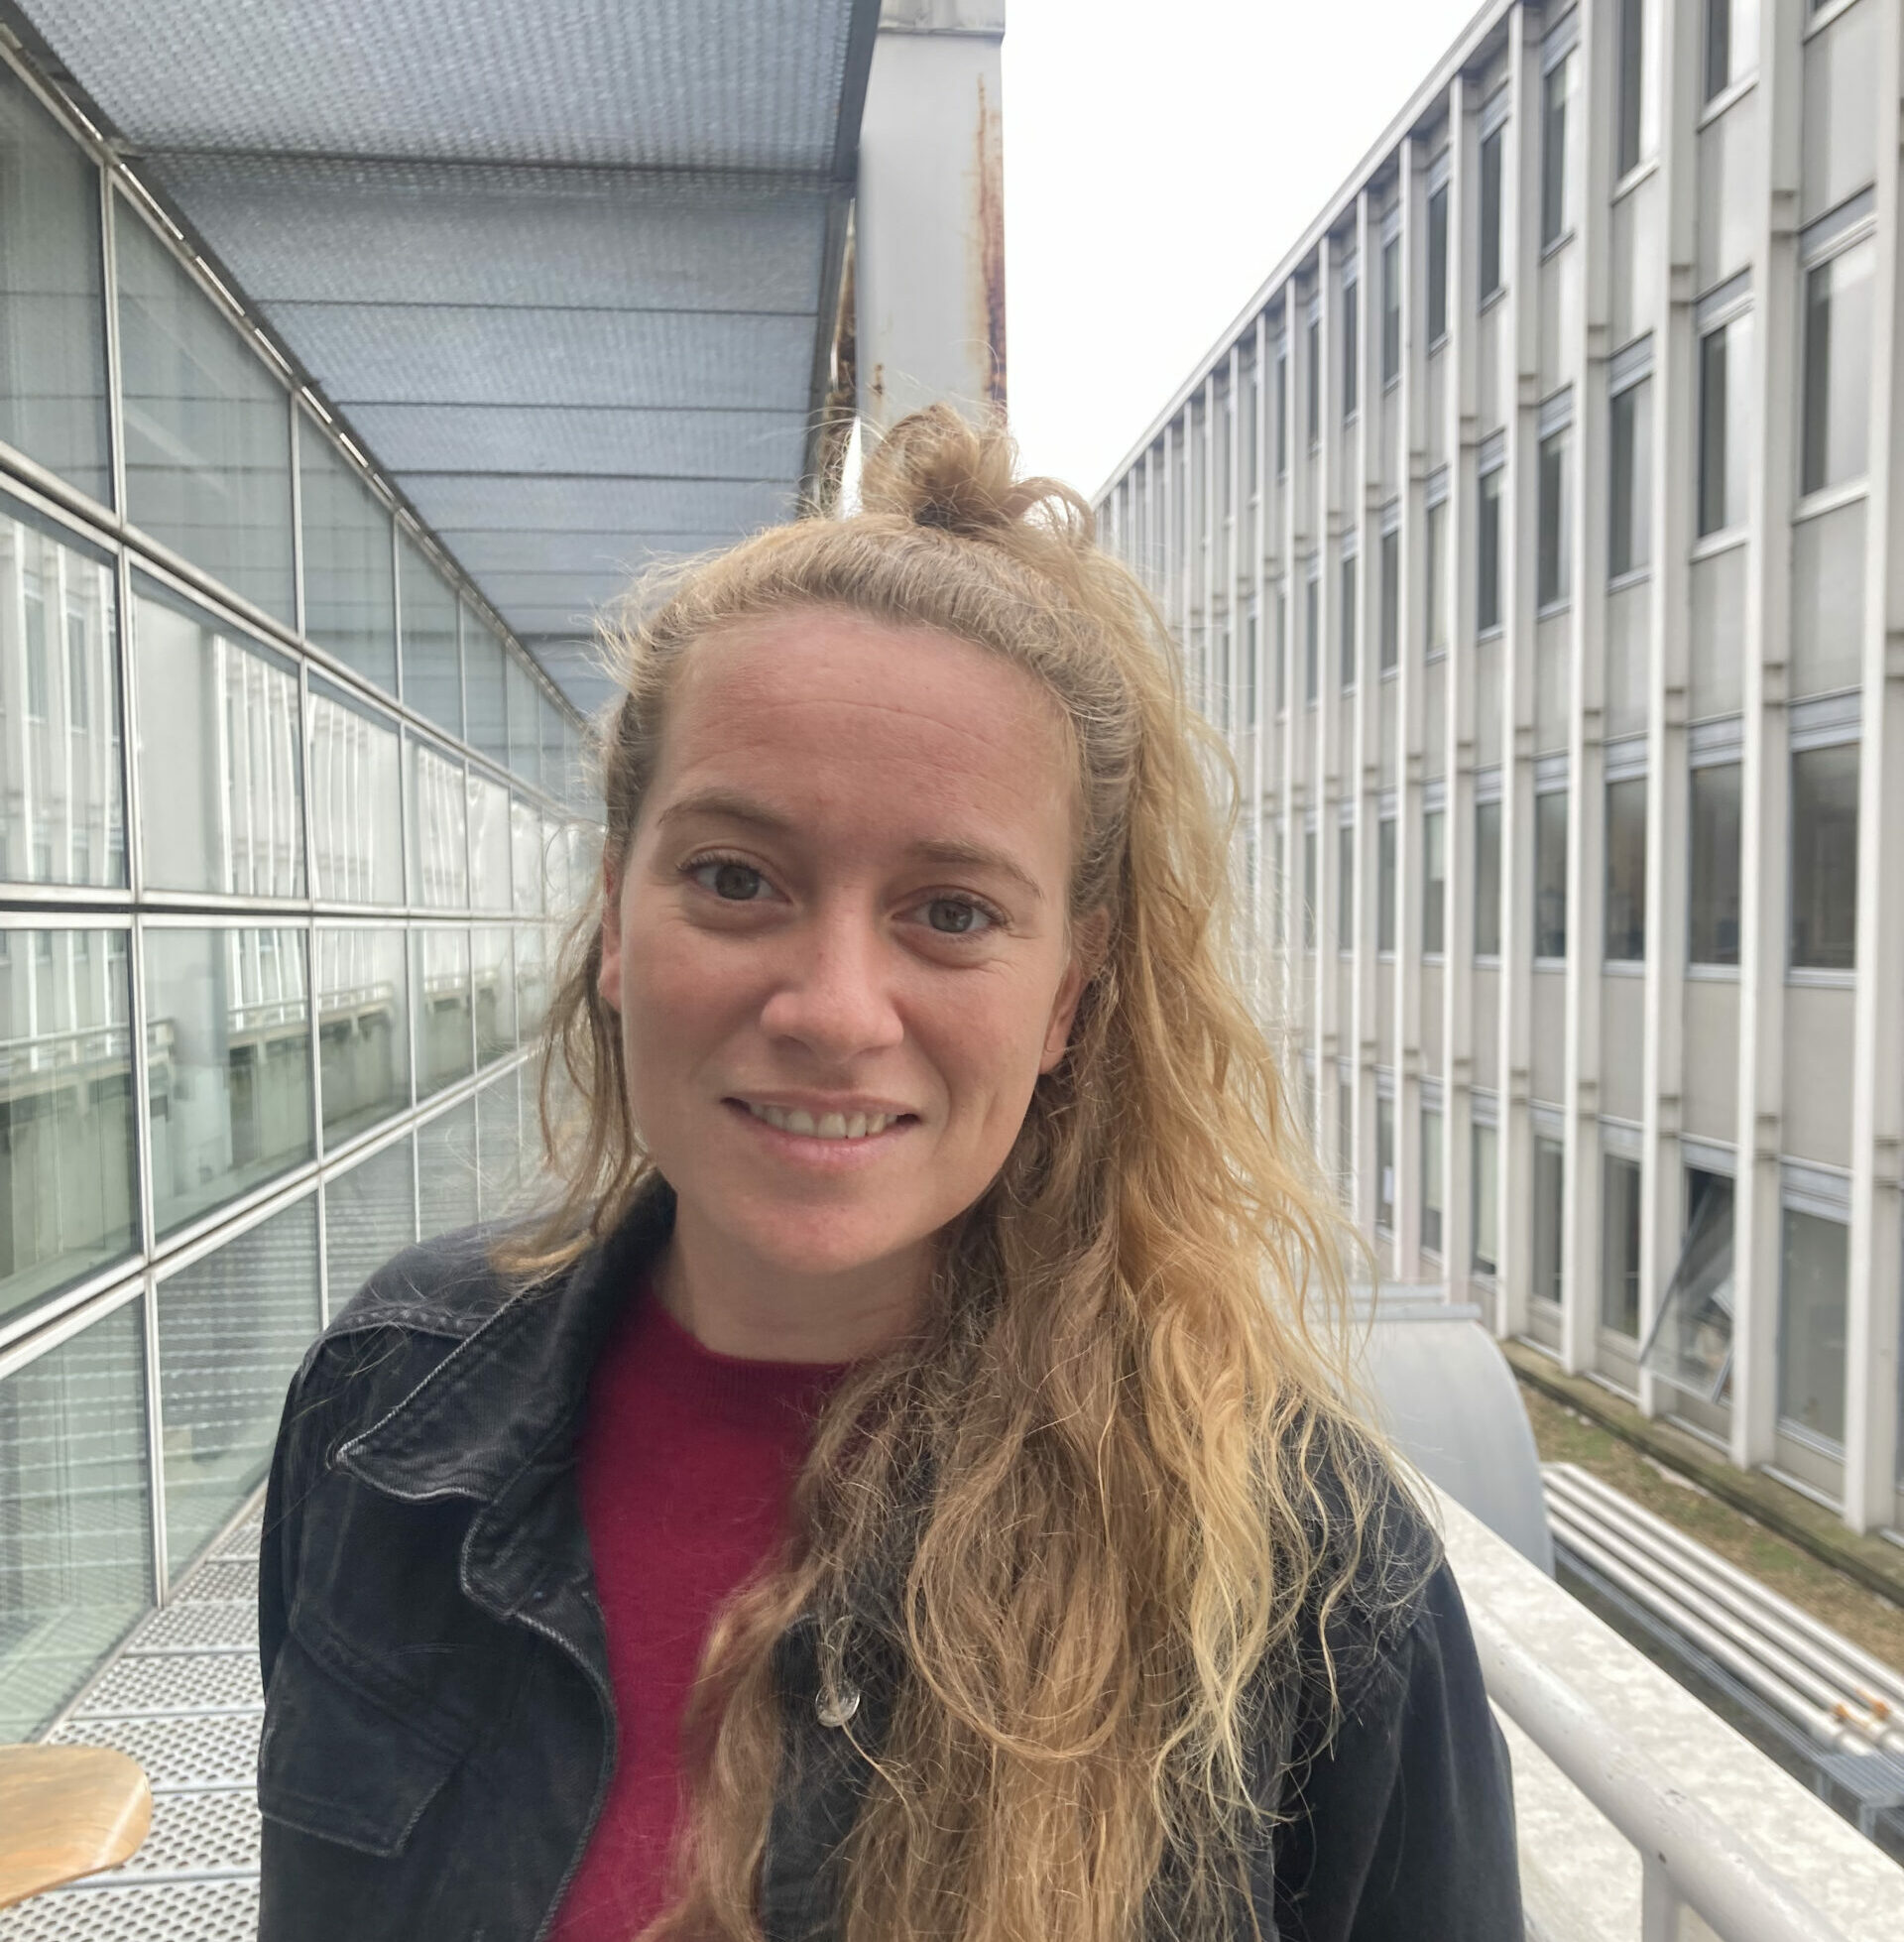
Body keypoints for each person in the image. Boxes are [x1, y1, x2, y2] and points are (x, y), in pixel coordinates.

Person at [256, 407, 1522, 1942]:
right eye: (736, 878)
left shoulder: (1308, 1578)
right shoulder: (383, 1408)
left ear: (1068, 998)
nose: (835, 1011)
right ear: (614, 917)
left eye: (952, 911)